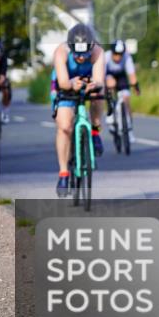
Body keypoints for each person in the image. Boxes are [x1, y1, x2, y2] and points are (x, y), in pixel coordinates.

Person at [52, 23, 106, 197]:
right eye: (77, 54)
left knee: (99, 93)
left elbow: (99, 79)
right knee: (65, 126)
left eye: (85, 54)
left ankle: (95, 131)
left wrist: (94, 85)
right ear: (70, 48)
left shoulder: (98, 52)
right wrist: (71, 85)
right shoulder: (61, 52)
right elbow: (62, 82)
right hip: (65, 84)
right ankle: (63, 173)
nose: (81, 58)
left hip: (88, 81)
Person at [104, 39, 140, 131]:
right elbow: (101, 75)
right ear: (112, 52)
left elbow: (132, 75)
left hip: (121, 75)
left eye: (120, 54)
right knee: (111, 84)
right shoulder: (106, 56)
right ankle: (111, 111)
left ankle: (129, 125)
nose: (118, 57)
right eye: (116, 54)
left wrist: (136, 87)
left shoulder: (127, 57)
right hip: (108, 74)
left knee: (126, 98)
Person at [0, 40, 10, 124]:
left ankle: (5, 113)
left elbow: (2, 77)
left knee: (6, 87)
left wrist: (0, 81)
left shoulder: (3, 60)